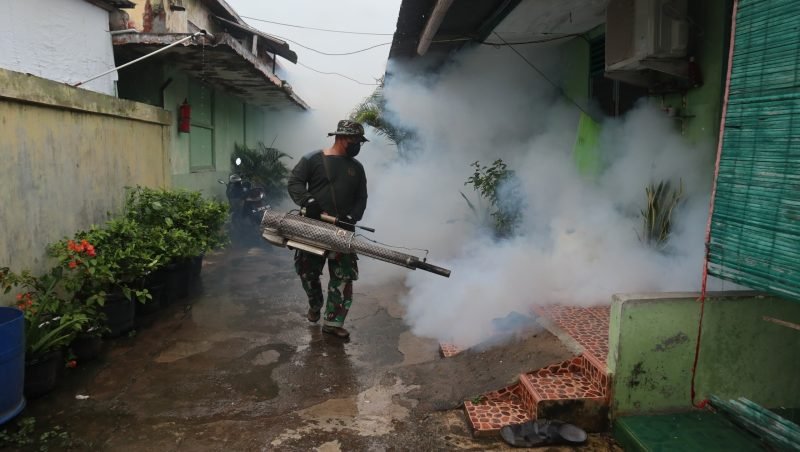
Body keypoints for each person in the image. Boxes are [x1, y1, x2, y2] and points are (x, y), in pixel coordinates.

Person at [287, 120, 369, 339]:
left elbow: (362, 197)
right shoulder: (312, 159)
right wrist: (308, 201)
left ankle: (333, 322)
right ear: (341, 137)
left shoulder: (357, 168)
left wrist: (352, 216)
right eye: (355, 140)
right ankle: (315, 304)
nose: (357, 145)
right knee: (308, 273)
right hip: (313, 228)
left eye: (360, 141)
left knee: (343, 277)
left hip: (342, 232)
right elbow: (294, 183)